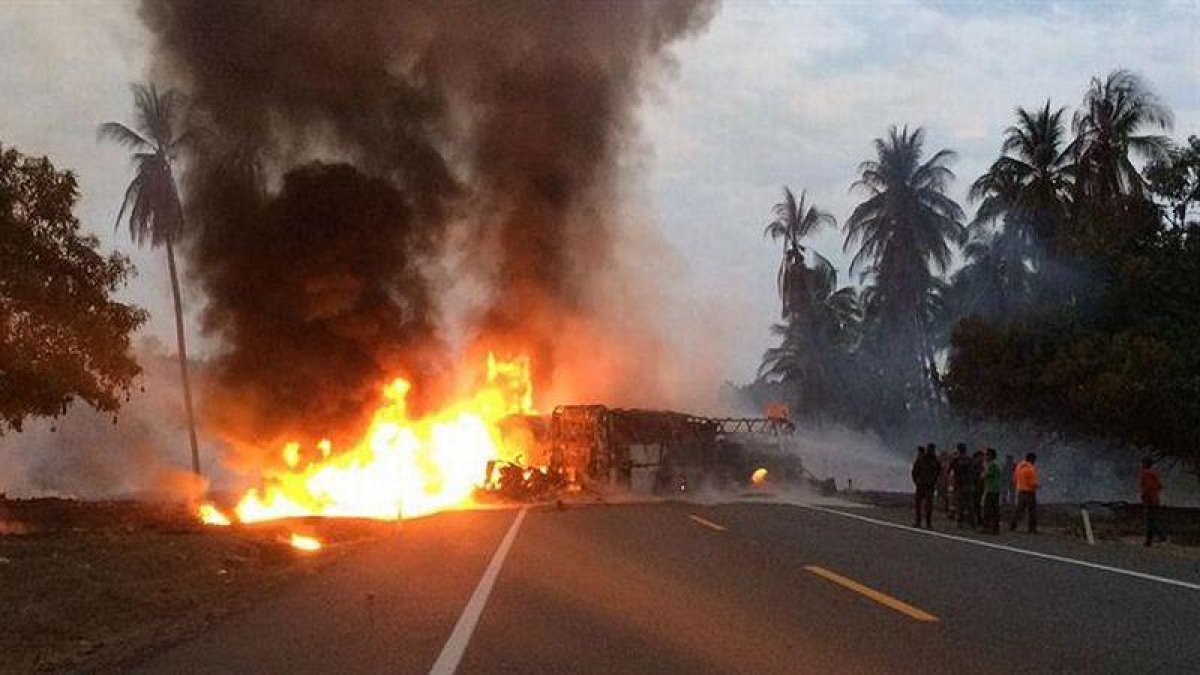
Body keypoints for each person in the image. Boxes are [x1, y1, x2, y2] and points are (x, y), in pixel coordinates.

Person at [911, 445, 940, 529]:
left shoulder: (934, 461)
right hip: (923, 485)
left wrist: (934, 482)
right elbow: (914, 472)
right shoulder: (922, 460)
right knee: (920, 505)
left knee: (927, 506)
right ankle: (921, 522)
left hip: (928, 486)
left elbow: (938, 472)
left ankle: (926, 523)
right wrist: (917, 481)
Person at [1009, 452, 1039, 533]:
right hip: (1029, 492)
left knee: (1019, 509)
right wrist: (1037, 485)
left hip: (1020, 491)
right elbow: (1033, 483)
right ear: (1033, 459)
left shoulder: (1019, 466)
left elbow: (1014, 479)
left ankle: (1012, 524)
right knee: (1032, 511)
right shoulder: (1031, 468)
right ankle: (1032, 528)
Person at [953, 443, 979, 528]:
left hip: (961, 485)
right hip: (969, 484)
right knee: (969, 504)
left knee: (961, 504)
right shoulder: (969, 459)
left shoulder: (956, 460)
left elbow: (952, 470)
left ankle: (960, 522)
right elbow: (974, 472)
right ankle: (972, 522)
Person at [1140, 457, 1163, 547]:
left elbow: (1148, 487)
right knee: (1153, 520)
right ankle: (1157, 537)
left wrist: (1145, 496)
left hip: (1150, 500)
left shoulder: (1146, 474)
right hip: (1155, 499)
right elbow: (1159, 486)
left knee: (1149, 521)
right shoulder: (1153, 474)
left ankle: (1150, 540)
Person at [981, 448, 1002, 534]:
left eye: (987, 455)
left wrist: (982, 474)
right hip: (995, 488)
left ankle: (987, 527)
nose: (985, 456)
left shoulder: (992, 465)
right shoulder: (995, 464)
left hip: (991, 489)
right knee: (994, 509)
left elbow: (985, 475)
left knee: (988, 508)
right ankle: (994, 527)